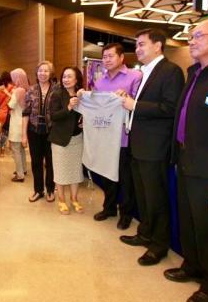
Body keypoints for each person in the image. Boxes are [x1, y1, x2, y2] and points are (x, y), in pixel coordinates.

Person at [163, 15, 208, 302]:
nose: (192, 41)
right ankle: (193, 265)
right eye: (191, 36)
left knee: (207, 227)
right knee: (188, 219)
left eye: (198, 36)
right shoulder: (194, 73)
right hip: (185, 160)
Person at [119, 28, 184, 266]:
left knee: (156, 198)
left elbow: (170, 108)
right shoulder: (145, 71)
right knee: (143, 195)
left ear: (157, 46)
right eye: (136, 44)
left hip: (155, 146)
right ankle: (145, 233)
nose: (137, 49)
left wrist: (134, 105)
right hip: (139, 144)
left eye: (141, 44)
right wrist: (129, 99)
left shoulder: (171, 71)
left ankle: (158, 246)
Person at [92, 43, 142, 229]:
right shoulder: (100, 81)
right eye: (104, 56)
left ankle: (126, 214)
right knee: (107, 177)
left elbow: (139, 104)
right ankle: (109, 208)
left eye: (110, 56)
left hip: (124, 138)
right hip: (105, 138)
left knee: (126, 179)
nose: (107, 60)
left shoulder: (135, 76)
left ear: (121, 57)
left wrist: (127, 96)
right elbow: (96, 106)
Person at [48, 66, 84, 215]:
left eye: (69, 76)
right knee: (61, 171)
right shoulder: (57, 94)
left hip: (77, 139)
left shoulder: (82, 94)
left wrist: (83, 121)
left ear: (77, 79)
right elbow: (53, 116)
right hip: (60, 140)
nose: (66, 79)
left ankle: (74, 199)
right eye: (64, 76)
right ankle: (61, 200)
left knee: (76, 171)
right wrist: (69, 107)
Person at [22, 61, 56, 202]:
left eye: (46, 71)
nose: (43, 73)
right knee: (36, 162)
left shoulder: (57, 89)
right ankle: (38, 190)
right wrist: (23, 135)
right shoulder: (31, 90)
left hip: (51, 132)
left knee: (51, 162)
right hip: (34, 131)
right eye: (40, 70)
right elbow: (26, 113)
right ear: (36, 73)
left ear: (50, 73)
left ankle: (50, 190)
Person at [8, 68, 29, 182]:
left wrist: (10, 95)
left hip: (16, 123)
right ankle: (23, 169)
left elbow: (11, 105)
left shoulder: (17, 90)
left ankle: (20, 175)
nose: (13, 80)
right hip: (24, 123)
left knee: (16, 150)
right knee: (21, 150)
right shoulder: (26, 89)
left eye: (14, 78)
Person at [0, 71, 13, 156]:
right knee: (5, 133)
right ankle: (2, 150)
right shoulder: (12, 88)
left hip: (0, 113)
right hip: (9, 113)